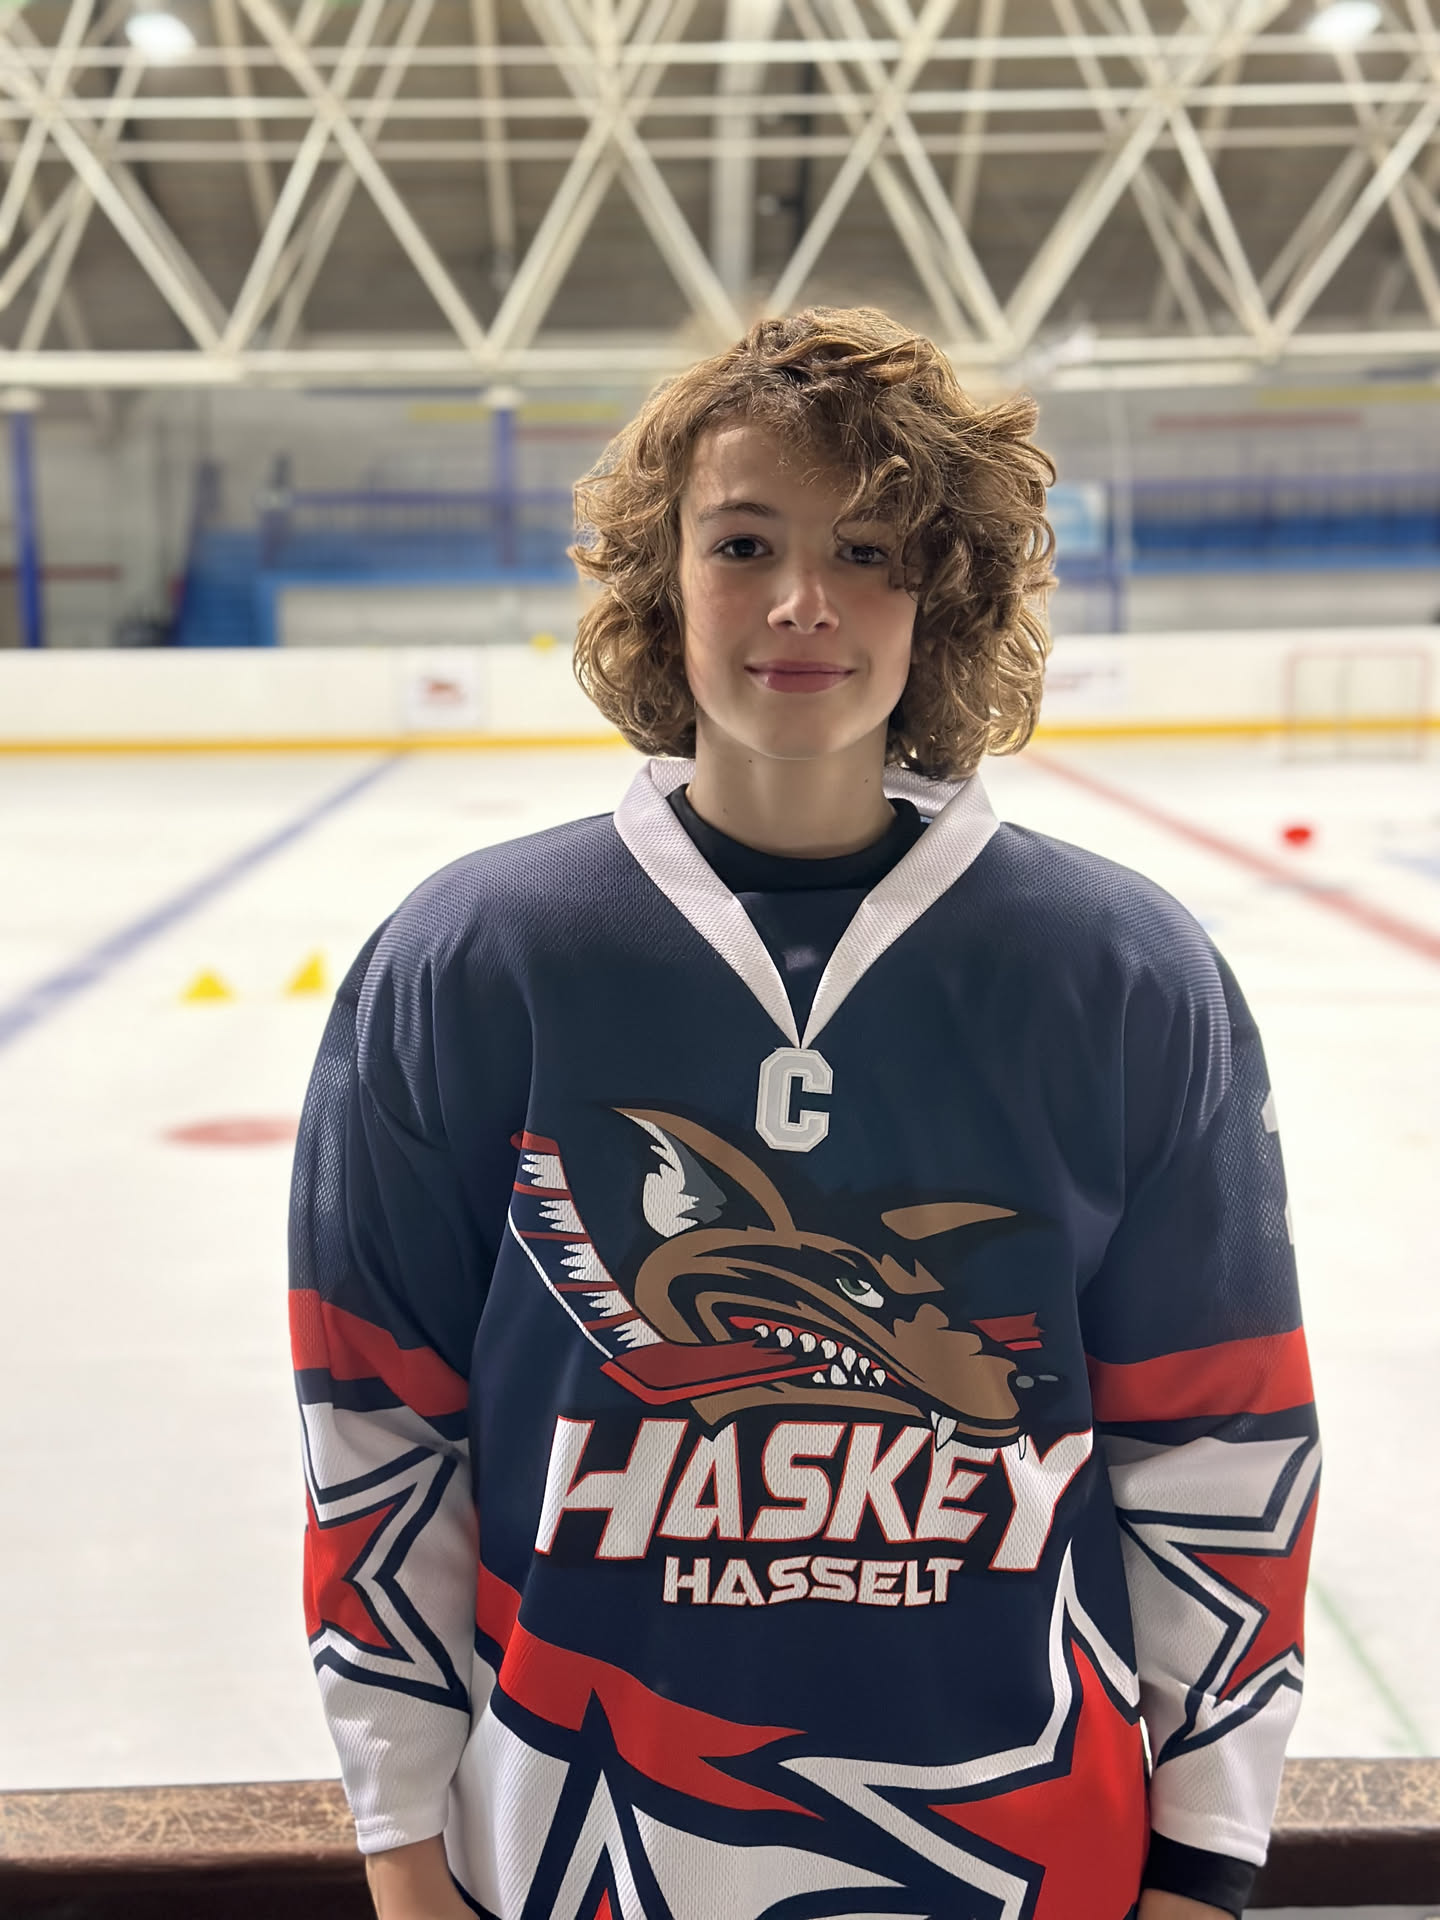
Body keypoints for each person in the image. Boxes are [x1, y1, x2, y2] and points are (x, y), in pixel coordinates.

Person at [289, 308, 1318, 1920]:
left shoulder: (1123, 973)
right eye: (743, 543)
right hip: (568, 1857)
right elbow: (375, 1428)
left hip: (1024, 1864)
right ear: (659, 577)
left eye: (869, 550)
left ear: (946, 592)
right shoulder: (470, 961)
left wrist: (1202, 1862)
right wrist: (404, 1851)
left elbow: (1218, 1441)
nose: (801, 600)